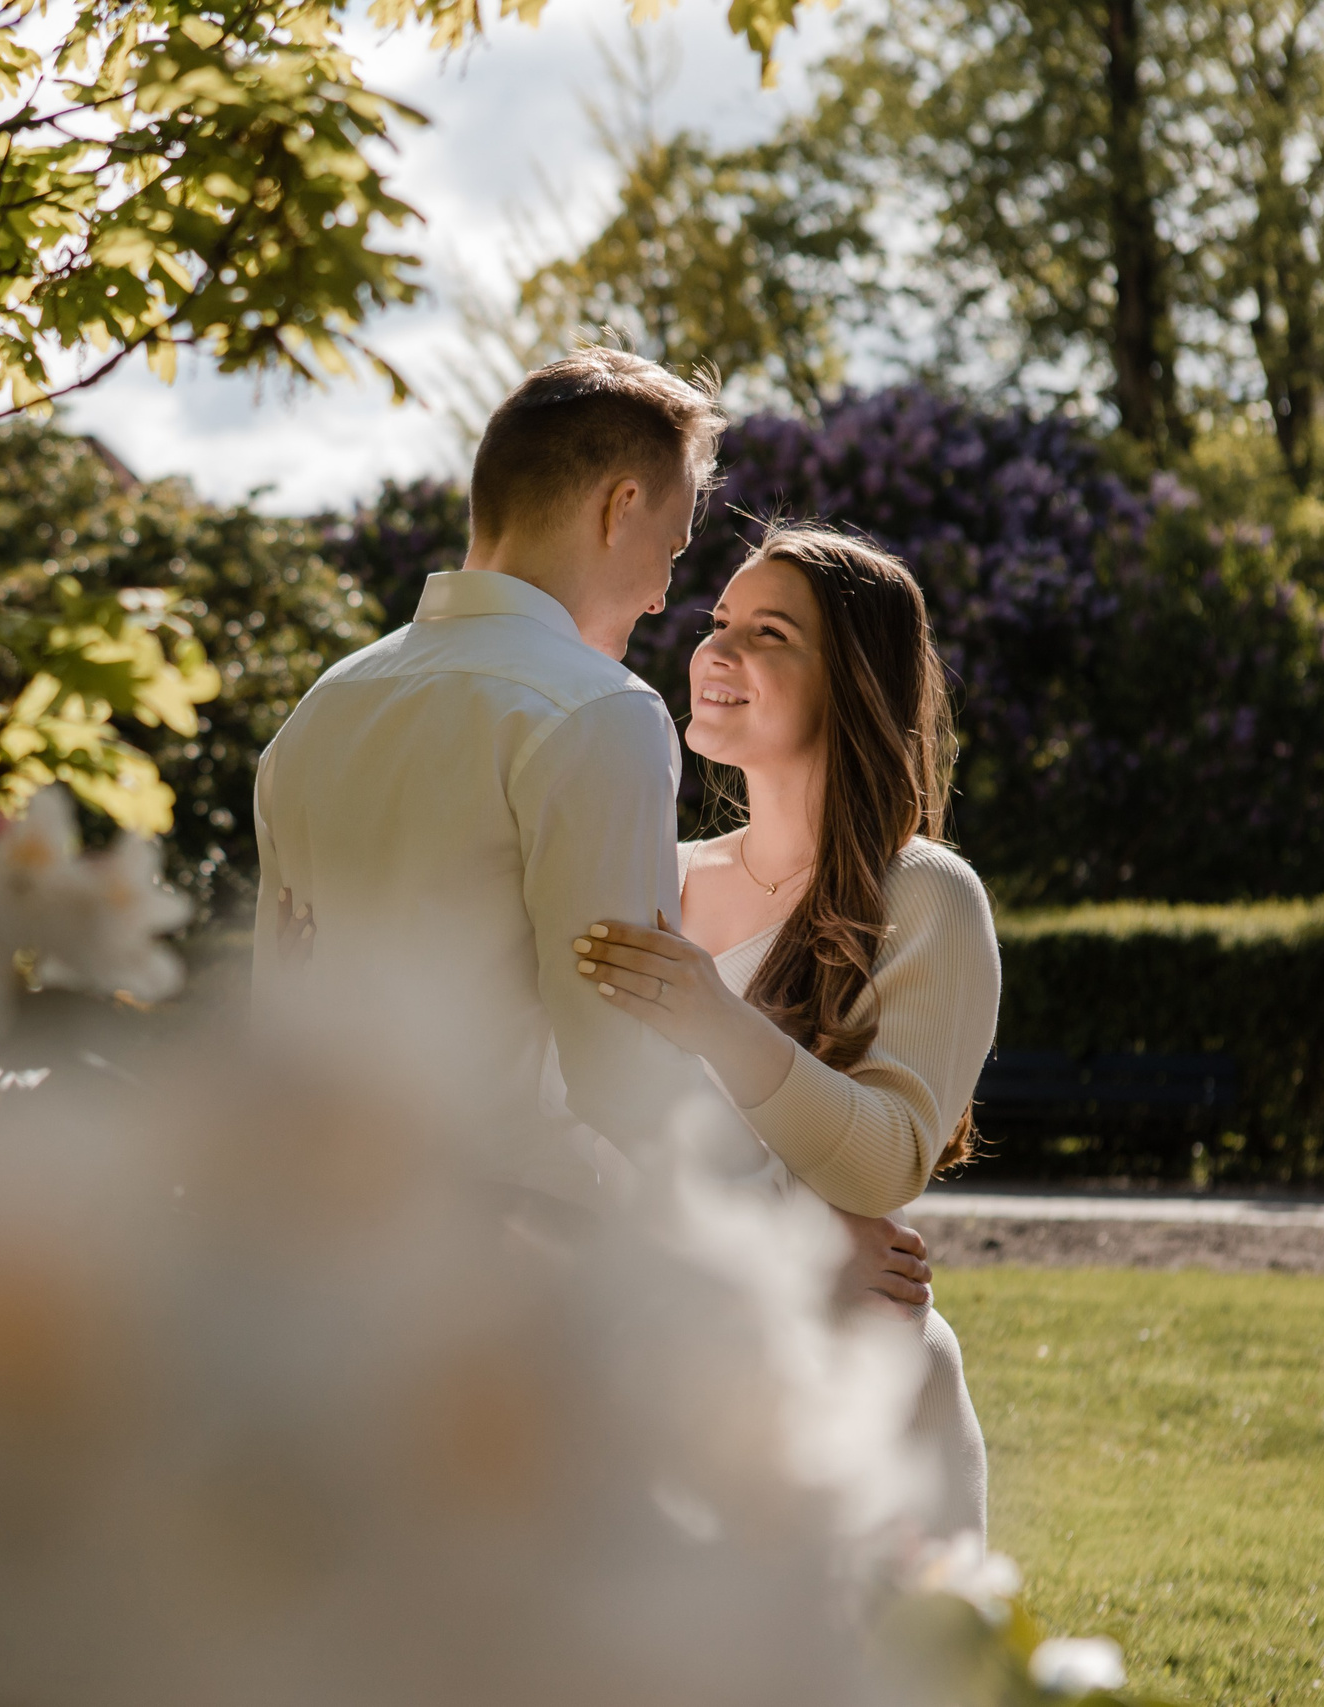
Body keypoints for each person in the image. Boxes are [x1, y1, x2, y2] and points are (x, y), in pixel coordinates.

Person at [250, 348, 930, 1296]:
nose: (662, 594)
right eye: (675, 546)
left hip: (309, 1251)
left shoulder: (322, 709)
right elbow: (621, 1062)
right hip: (504, 1276)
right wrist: (798, 1233)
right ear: (620, 508)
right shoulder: (595, 710)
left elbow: (277, 1006)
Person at [571, 524, 1001, 1539]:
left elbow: (886, 1162)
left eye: (769, 634)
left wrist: (712, 1018)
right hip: (664, 1379)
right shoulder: (654, 873)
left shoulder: (927, 895)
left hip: (863, 1400)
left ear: (850, 681)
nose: (716, 650)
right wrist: (795, 1247)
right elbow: (587, 1129)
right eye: (718, 620)